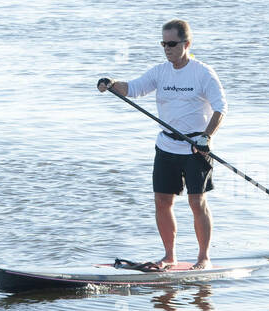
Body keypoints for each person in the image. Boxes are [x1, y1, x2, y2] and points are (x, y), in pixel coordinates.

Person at [97, 19, 227, 270]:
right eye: (163, 43)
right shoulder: (160, 72)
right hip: (166, 146)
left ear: (186, 44)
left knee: (196, 202)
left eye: (171, 43)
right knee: (162, 201)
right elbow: (133, 88)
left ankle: (203, 258)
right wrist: (112, 84)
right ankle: (169, 256)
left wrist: (207, 137)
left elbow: (221, 108)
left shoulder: (203, 73)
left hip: (195, 146)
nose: (166, 48)